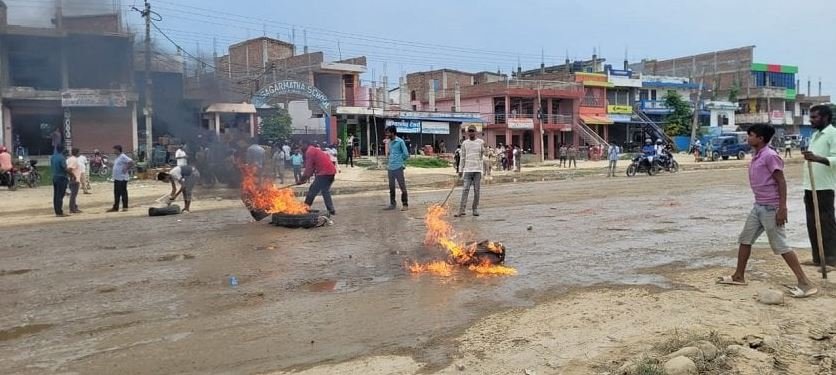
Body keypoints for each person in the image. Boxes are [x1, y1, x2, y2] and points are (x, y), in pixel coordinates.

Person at [717, 124, 817, 297]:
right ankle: (738, 276)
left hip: (771, 207)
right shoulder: (757, 155)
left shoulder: (770, 156)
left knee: (780, 245)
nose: (748, 138)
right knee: (745, 239)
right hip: (758, 206)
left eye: (751, 135)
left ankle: (805, 282)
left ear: (760, 138)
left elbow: (781, 181)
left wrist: (782, 208)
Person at [802, 104, 836, 267]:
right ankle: (818, 258)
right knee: (812, 223)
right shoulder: (815, 135)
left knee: (826, 223)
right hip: (810, 186)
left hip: (824, 188)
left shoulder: (832, 134)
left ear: (826, 118)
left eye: (815, 117)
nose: (811, 120)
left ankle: (831, 259)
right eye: (811, 116)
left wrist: (817, 158)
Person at [297, 139, 337, 215]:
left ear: (306, 144)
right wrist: (304, 179)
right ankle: (331, 210)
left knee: (312, 190)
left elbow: (308, 169)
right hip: (331, 172)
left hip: (324, 173)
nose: (300, 147)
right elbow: (311, 169)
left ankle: (305, 208)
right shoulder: (313, 150)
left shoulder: (309, 151)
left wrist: (302, 179)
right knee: (325, 191)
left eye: (301, 145)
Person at [455, 125, 485, 217]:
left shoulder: (481, 142)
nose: (471, 132)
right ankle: (461, 210)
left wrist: (482, 170)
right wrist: (460, 170)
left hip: (477, 170)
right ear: (467, 132)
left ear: (476, 132)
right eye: (470, 131)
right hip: (467, 170)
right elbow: (462, 158)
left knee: (477, 191)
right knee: (465, 190)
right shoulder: (464, 143)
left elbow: (482, 156)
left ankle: (475, 209)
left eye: (473, 131)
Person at [383, 125, 409, 211]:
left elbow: (406, 154)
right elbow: (390, 153)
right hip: (390, 167)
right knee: (391, 187)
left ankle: (405, 204)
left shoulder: (400, 141)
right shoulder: (389, 142)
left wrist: (400, 161)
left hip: (398, 167)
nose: (387, 134)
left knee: (402, 187)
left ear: (393, 133)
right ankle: (392, 204)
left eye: (388, 132)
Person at [107, 145, 133, 212]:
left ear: (118, 150)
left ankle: (125, 207)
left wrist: (126, 168)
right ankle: (116, 207)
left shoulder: (123, 156)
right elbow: (117, 166)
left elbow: (131, 162)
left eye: (114, 150)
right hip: (117, 178)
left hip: (122, 178)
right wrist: (110, 164)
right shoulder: (118, 158)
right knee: (117, 193)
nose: (114, 151)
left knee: (123, 193)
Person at [51, 147, 69, 217]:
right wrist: (71, 174)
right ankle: (59, 212)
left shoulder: (53, 157)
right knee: (60, 195)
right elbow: (64, 168)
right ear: (63, 150)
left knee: (56, 195)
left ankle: (57, 211)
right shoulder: (62, 158)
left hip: (55, 177)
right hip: (62, 178)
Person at [66, 148, 83, 214]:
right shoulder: (74, 160)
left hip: (72, 179)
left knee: (73, 195)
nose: (79, 153)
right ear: (77, 153)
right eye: (79, 152)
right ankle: (72, 209)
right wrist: (73, 176)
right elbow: (69, 169)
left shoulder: (70, 159)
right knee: (73, 195)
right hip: (75, 180)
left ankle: (74, 207)